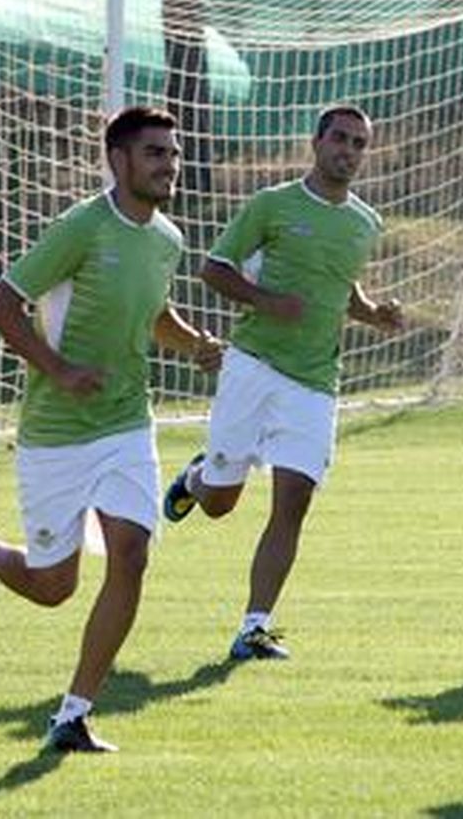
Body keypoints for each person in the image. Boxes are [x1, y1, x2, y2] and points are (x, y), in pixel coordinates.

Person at [0, 106, 223, 754]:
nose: (169, 164)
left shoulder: (167, 238)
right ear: (117, 159)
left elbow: (154, 313)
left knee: (131, 555)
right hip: (55, 435)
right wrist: (58, 369)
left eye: (173, 153)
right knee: (53, 587)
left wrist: (193, 343)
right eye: (154, 153)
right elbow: (0, 303)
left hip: (125, 424)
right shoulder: (81, 227)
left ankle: (74, 714)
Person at [161, 104, 404, 662]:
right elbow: (215, 268)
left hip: (315, 382)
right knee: (220, 502)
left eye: (359, 143)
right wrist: (267, 301)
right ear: (316, 143)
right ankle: (198, 478)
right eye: (339, 138)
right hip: (252, 366)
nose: (348, 150)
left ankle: (254, 627)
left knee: (293, 500)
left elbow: (343, 288)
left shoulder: (365, 223)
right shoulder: (272, 204)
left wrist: (373, 314)